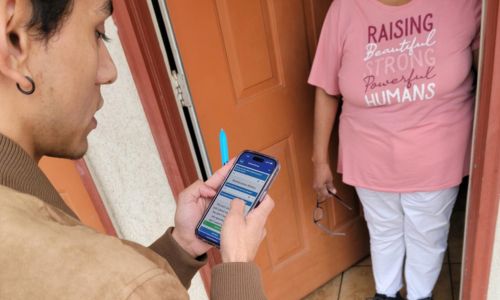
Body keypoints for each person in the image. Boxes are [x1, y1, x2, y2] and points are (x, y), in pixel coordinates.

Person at [0, 0, 274, 299]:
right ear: (14, 41)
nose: (110, 72)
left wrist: (182, 245)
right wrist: (238, 268)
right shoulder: (118, 285)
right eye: (97, 33)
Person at [309, 0, 481, 299]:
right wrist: (319, 160)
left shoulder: (465, 4)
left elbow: (489, 76)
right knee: (382, 230)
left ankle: (419, 295)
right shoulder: (345, 8)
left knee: (427, 235)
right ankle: (385, 293)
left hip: (437, 158)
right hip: (369, 158)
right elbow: (326, 86)